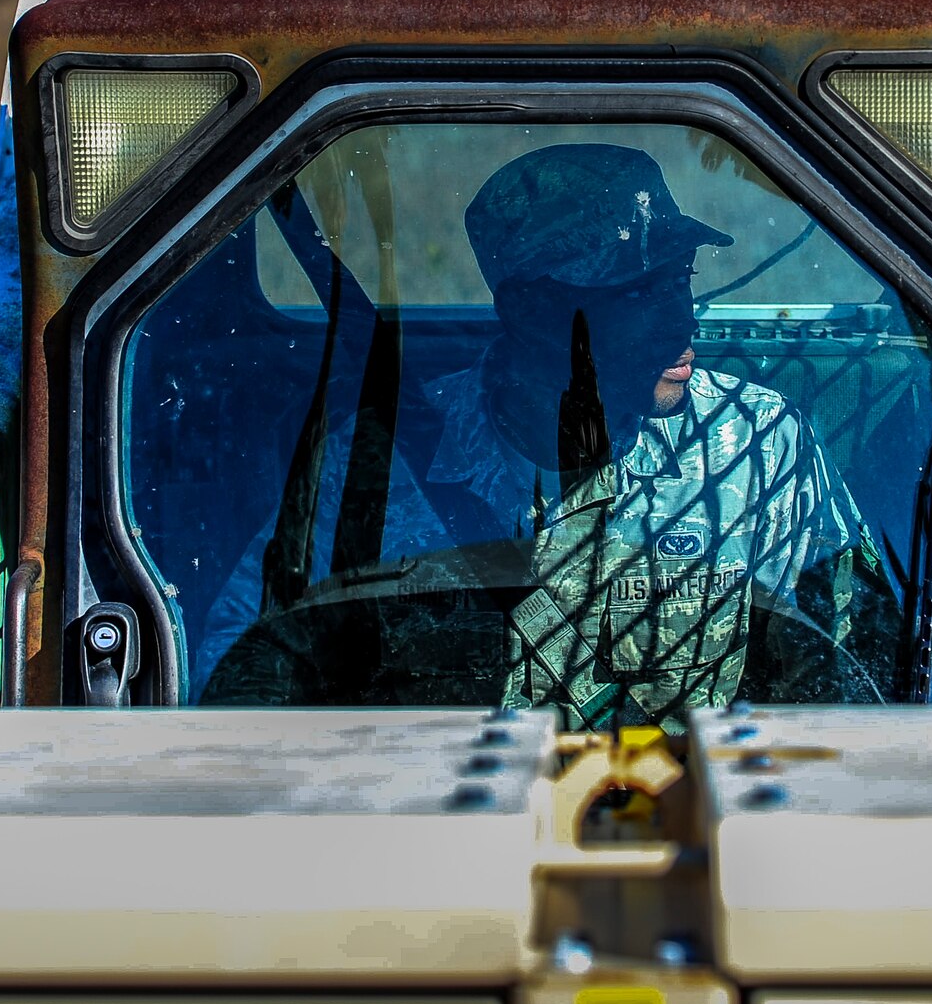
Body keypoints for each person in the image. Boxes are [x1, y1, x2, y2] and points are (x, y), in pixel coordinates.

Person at [199, 143, 873, 728]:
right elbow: (243, 661)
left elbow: (866, 664)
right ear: (528, 311)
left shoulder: (762, 445)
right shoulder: (376, 460)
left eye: (682, 280)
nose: (682, 322)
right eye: (636, 293)